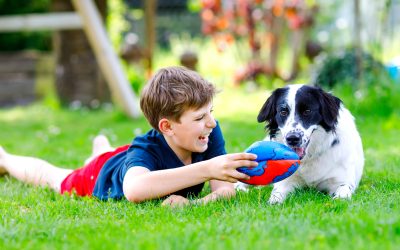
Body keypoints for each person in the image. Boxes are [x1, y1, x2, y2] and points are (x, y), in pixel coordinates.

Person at [0, 66, 257, 207]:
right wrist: (208, 168)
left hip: (127, 161)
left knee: (114, 156)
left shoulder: (208, 132)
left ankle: (102, 149)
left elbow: (226, 192)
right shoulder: (144, 150)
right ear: (167, 127)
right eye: (200, 118)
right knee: (53, 176)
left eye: (210, 112)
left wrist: (193, 205)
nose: (211, 122)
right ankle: (6, 159)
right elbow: (134, 189)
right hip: (102, 175)